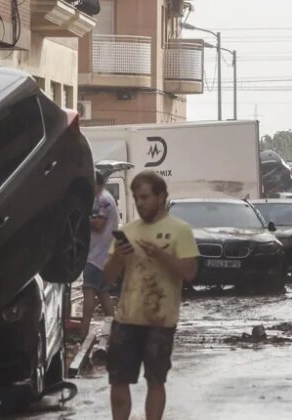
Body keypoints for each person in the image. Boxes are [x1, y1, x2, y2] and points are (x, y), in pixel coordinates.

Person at [103, 171, 199, 420]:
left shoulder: (180, 230)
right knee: (118, 381)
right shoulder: (128, 230)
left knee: (156, 381)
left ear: (162, 196)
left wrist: (161, 256)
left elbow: (189, 273)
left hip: (160, 321)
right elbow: (108, 277)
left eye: (145, 197)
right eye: (136, 198)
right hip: (126, 319)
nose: (140, 203)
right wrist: (118, 257)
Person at [80, 170, 118, 339]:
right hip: (104, 254)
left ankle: (84, 331)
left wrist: (82, 218)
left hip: (96, 255)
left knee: (88, 290)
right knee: (103, 293)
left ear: (97, 183)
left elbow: (98, 225)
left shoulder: (103, 200)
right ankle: (115, 331)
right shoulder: (105, 198)